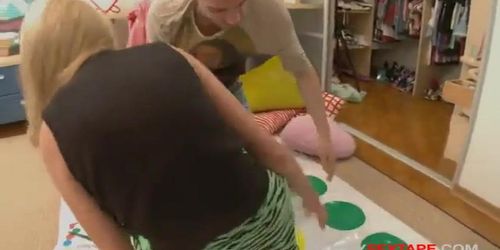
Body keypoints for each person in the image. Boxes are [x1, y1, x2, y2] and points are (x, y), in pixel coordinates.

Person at [19, 0, 326, 249]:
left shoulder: (52, 133)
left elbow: (114, 245)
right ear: (100, 31)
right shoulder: (172, 54)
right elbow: (269, 150)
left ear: (36, 62)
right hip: (269, 218)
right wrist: (308, 196)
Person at [147, 0, 337, 180]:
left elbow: (303, 72)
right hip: (183, 93)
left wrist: (323, 136)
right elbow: (159, 82)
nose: (234, 19)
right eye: (218, 10)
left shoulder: (270, 11)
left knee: (241, 160)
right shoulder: (166, 14)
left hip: (232, 90)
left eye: (240, 3)